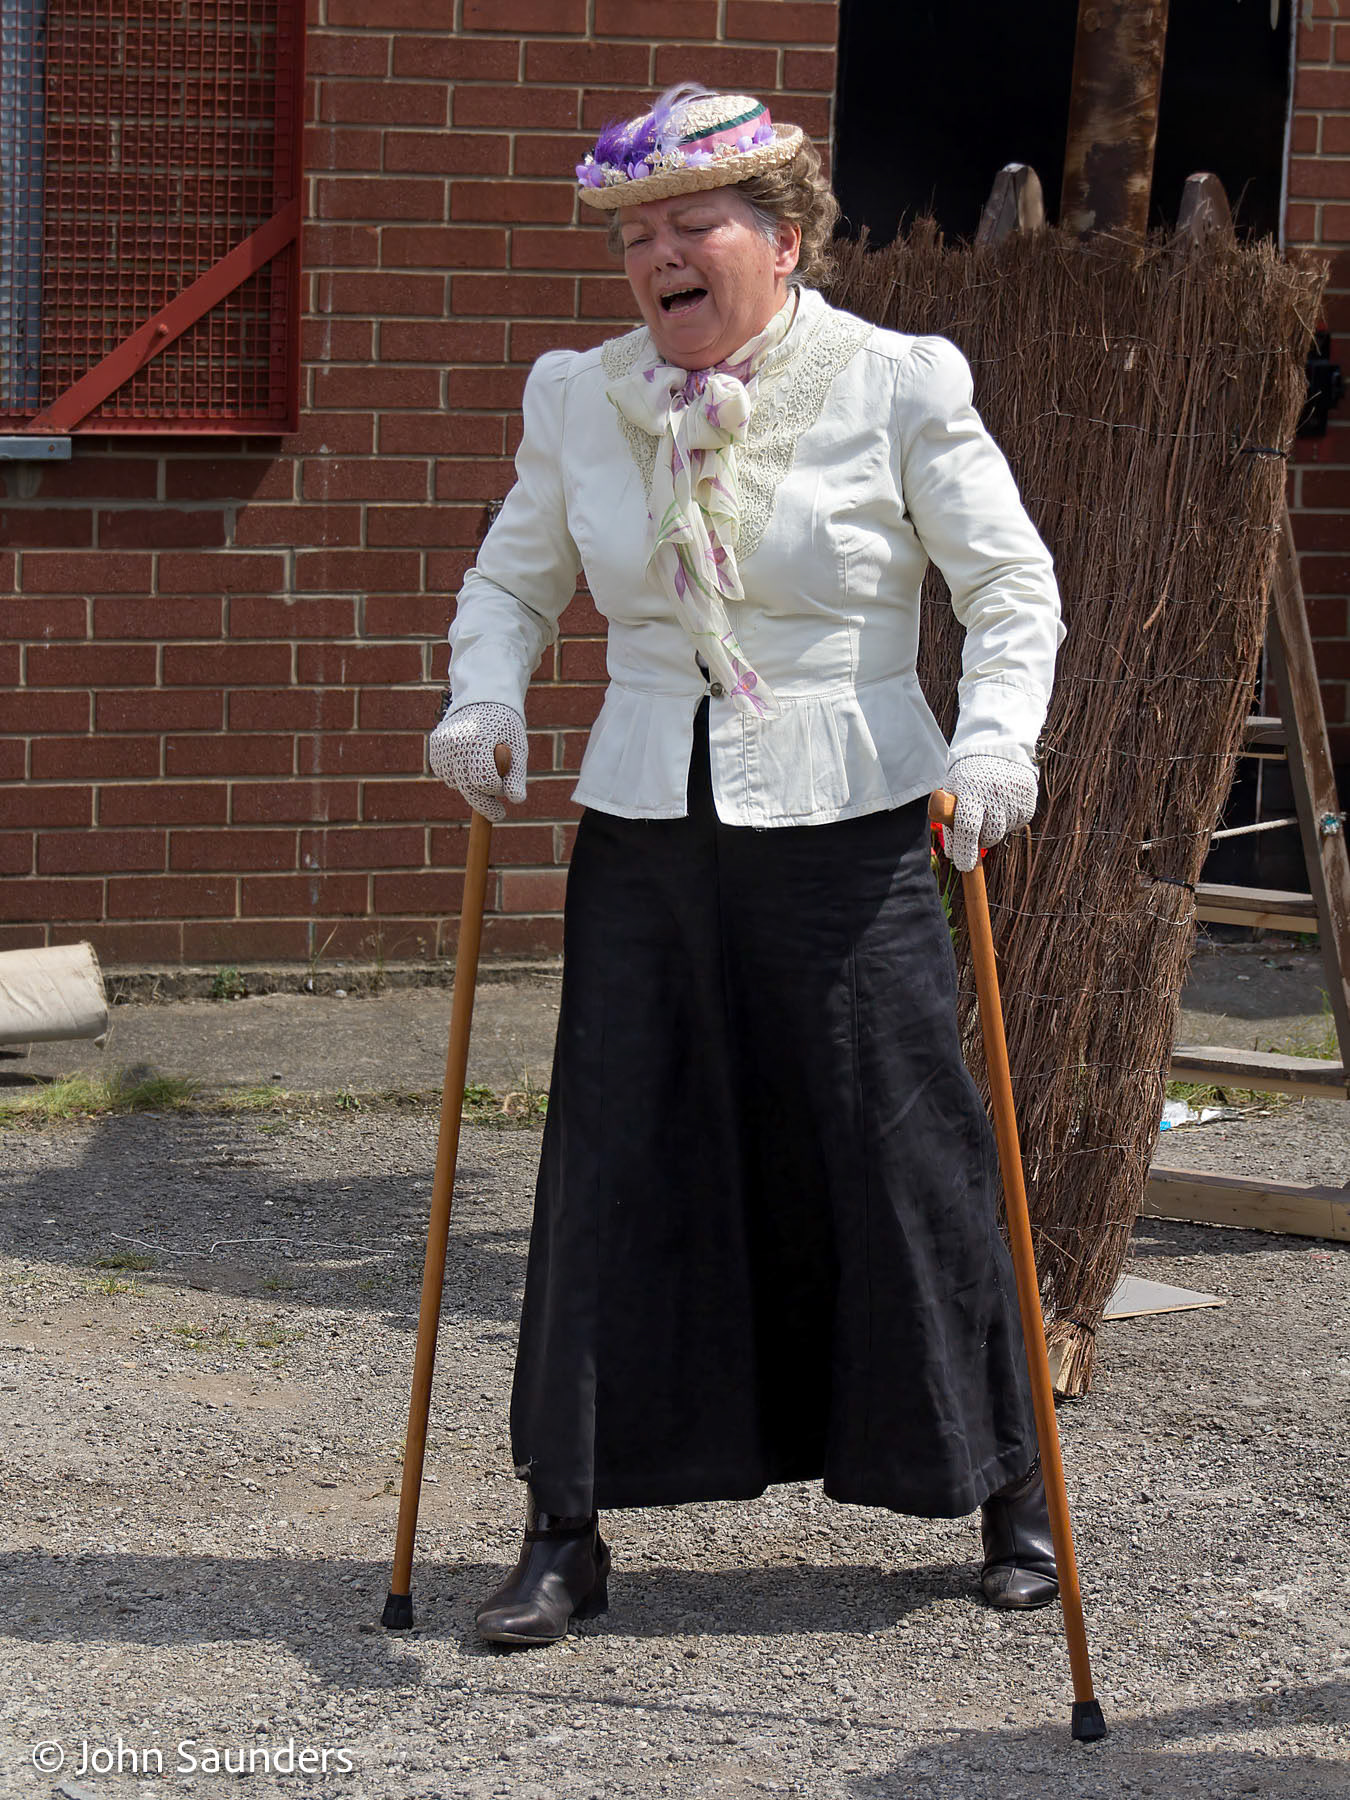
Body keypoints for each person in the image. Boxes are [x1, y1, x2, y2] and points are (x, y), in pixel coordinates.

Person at [430, 84, 1065, 1648]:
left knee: (901, 1145)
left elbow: (1006, 586)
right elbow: (512, 578)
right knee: (613, 1156)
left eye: (685, 228)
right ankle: (563, 1530)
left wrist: (993, 743)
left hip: (853, 824)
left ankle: (1007, 1489)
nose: (653, 257)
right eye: (633, 237)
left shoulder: (896, 382)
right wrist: (482, 690)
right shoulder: (581, 398)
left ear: (780, 240)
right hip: (647, 827)